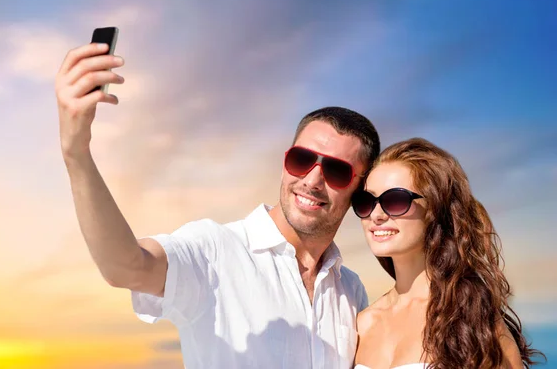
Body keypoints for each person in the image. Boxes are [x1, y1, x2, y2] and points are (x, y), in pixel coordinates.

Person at [54, 42, 381, 368]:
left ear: (360, 188)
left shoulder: (351, 291)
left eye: (336, 171)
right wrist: (76, 152)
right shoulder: (214, 251)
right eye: (302, 159)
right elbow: (125, 267)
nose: (312, 180)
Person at [350, 138, 546, 369]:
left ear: (436, 207)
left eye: (395, 200)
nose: (376, 214)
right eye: (366, 201)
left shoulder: (471, 321)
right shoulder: (362, 323)